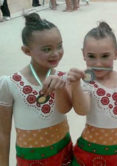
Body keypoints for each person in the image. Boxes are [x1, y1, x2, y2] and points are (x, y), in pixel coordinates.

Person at [0, 13, 72, 166]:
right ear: (26, 51)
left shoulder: (63, 79)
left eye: (59, 46)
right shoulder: (11, 83)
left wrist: (62, 88)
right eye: (47, 49)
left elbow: (66, 109)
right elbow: (3, 132)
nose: (56, 53)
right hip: (30, 159)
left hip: (63, 154)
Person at [65, 21, 117, 165]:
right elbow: (82, 110)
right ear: (83, 54)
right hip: (88, 156)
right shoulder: (86, 82)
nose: (98, 63)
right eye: (91, 56)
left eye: (105, 56)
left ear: (116, 53)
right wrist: (76, 85)